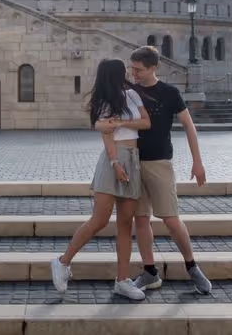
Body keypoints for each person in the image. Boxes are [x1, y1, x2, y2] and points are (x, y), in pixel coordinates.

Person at [99, 45, 212, 295]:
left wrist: (198, 162)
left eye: (138, 69)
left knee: (171, 219)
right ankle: (149, 272)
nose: (133, 73)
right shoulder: (128, 93)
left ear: (153, 67)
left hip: (159, 162)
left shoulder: (170, 92)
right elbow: (108, 121)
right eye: (132, 68)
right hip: (132, 163)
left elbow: (188, 126)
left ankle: (192, 267)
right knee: (141, 219)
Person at [50, 58, 151, 300]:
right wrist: (115, 163)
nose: (127, 73)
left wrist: (121, 122)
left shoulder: (132, 96)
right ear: (114, 74)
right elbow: (106, 135)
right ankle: (63, 262)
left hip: (133, 159)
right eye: (123, 70)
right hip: (112, 160)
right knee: (99, 219)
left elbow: (146, 122)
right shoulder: (105, 102)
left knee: (126, 224)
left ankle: (122, 281)